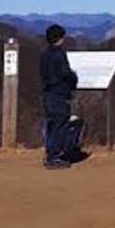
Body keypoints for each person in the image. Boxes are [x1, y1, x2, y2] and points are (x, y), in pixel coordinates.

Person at [40, 24, 78, 169]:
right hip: (59, 93)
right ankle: (54, 157)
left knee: (51, 124)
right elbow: (65, 73)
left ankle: (50, 154)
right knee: (59, 124)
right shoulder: (59, 53)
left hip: (48, 92)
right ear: (60, 38)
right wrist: (73, 77)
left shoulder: (45, 53)